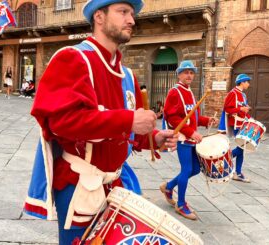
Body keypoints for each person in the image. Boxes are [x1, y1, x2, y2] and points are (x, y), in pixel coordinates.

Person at [24, 1, 178, 244]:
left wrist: (154, 139)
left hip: (116, 184)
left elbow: (128, 132)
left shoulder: (127, 75)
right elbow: (61, 123)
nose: (132, 20)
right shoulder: (73, 58)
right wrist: (128, 120)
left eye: (132, 14)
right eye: (123, 12)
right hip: (80, 183)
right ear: (99, 16)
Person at [160, 60, 215, 220]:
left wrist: (206, 120)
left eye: (191, 72)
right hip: (183, 138)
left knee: (196, 169)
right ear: (179, 74)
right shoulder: (175, 92)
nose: (189, 75)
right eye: (186, 72)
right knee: (186, 169)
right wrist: (191, 132)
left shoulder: (189, 92)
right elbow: (172, 117)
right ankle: (181, 204)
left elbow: (192, 115)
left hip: (191, 137)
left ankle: (169, 187)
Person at [220, 73, 252, 182]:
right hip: (236, 124)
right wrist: (240, 110)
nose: (248, 84)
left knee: (242, 149)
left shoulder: (243, 95)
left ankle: (237, 172)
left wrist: (250, 119)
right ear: (242, 82)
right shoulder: (232, 93)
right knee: (241, 148)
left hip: (243, 123)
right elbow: (227, 109)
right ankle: (224, 161)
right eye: (247, 82)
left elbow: (244, 109)